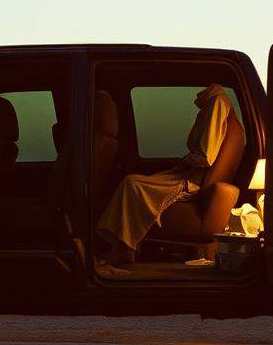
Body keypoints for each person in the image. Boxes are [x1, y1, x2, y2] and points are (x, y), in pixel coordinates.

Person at [96, 84, 234, 275]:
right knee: (133, 181)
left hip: (190, 179)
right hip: (185, 171)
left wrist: (185, 162)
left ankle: (125, 247)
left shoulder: (218, 103)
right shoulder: (211, 103)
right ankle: (123, 245)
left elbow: (206, 156)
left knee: (132, 183)